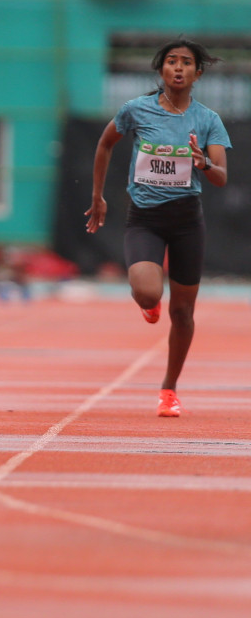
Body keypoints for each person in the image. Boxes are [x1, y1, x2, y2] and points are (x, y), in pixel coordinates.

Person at [86, 38, 231, 418]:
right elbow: (104, 145)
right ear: (161, 70)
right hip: (145, 220)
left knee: (182, 313)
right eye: (171, 62)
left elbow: (220, 178)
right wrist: (99, 196)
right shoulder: (136, 110)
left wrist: (202, 164)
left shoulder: (207, 120)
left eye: (186, 63)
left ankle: (169, 389)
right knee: (149, 294)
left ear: (197, 74)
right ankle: (149, 305)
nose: (178, 68)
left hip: (186, 223)